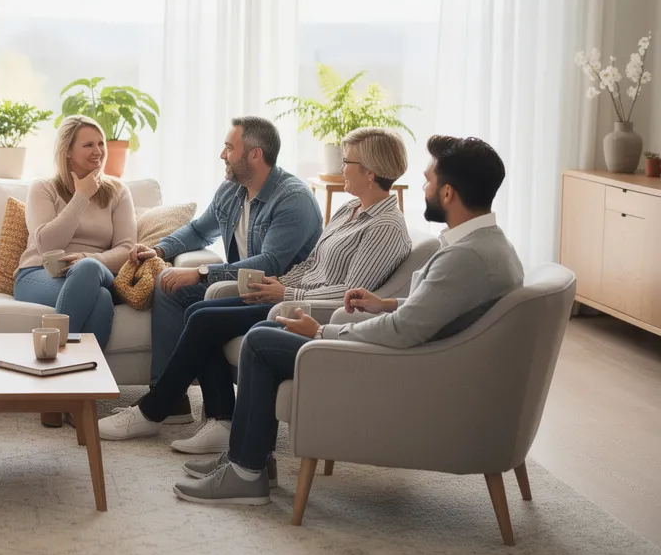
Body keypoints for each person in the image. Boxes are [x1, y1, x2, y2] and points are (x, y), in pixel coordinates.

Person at [172, 135, 524, 505]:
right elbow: (434, 308)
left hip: (401, 367)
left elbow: (402, 331)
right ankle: (251, 461)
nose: (423, 188)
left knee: (261, 340)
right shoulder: (487, 247)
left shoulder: (464, 257)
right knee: (258, 330)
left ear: (449, 193)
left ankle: (246, 473)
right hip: (419, 359)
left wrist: (322, 330)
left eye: (428, 180)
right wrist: (387, 302)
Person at [99, 127, 412, 450]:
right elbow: (311, 265)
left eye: (347, 161)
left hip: (305, 310)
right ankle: (219, 420)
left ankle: (153, 410)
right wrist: (282, 284)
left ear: (370, 173)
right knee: (198, 310)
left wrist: (286, 294)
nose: (340, 167)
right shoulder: (349, 210)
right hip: (287, 294)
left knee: (205, 320)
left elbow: (348, 296)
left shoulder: (384, 227)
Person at [129, 116, 322, 422]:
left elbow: (270, 263)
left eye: (230, 148)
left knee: (199, 310)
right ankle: (174, 399)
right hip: (242, 287)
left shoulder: (293, 199)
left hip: (277, 293)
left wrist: (202, 273)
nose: (223, 155)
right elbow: (198, 230)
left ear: (255, 154)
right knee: (168, 282)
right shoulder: (231, 190)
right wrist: (160, 249)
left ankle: (187, 409)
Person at [14, 115, 137, 427]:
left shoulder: (117, 192)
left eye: (101, 144)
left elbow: (126, 248)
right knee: (101, 300)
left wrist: (90, 260)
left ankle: (53, 392)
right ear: (68, 151)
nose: (98, 151)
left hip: (97, 272)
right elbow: (46, 243)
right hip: (38, 276)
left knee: (86, 272)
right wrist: (81, 195)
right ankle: (81, 400)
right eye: (88, 145)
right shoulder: (43, 188)